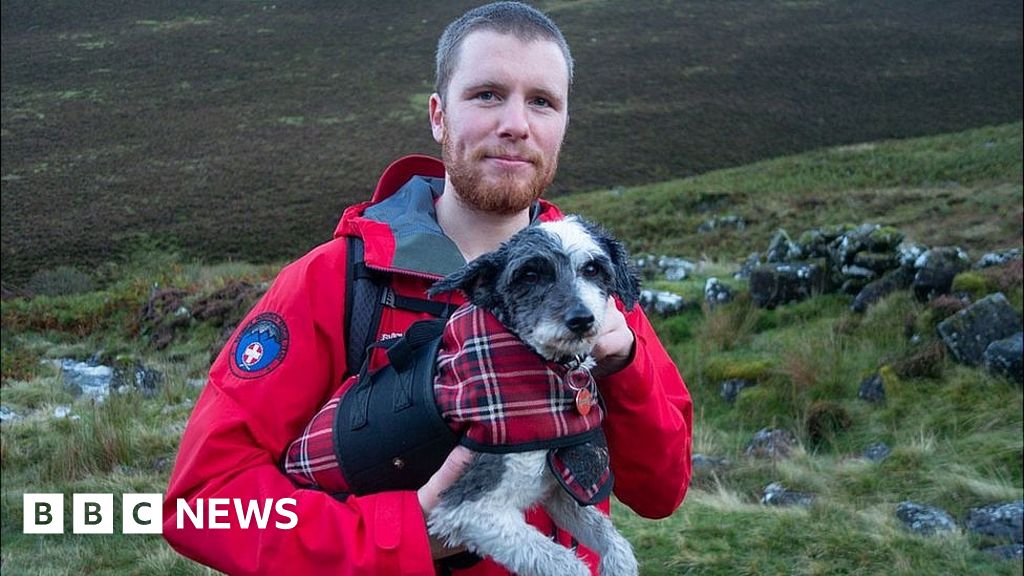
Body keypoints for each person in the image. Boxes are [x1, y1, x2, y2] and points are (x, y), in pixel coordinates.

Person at [162, 2, 692, 574]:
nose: (516, 123)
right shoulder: (336, 280)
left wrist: (625, 365)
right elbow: (204, 502)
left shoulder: (594, 286)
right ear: (438, 115)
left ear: (562, 124)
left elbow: (661, 492)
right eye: (487, 94)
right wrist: (404, 535)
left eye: (542, 101)